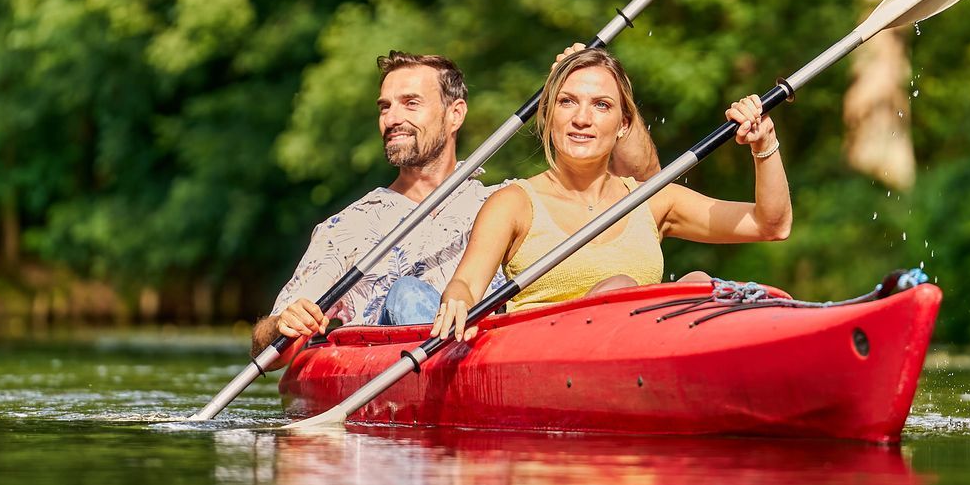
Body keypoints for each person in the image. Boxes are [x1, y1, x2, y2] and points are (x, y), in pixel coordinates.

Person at [255, 49, 658, 356]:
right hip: (394, 376)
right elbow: (264, 348)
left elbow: (642, 187)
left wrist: (592, 82)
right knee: (408, 295)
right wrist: (281, 325)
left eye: (411, 103)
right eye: (385, 106)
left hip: (498, 364)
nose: (392, 117)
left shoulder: (507, 200)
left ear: (455, 115)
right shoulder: (347, 228)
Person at [430, 47, 790, 341]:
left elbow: (771, 224)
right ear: (548, 115)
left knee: (697, 284)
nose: (582, 119)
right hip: (555, 362)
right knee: (619, 286)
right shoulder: (513, 203)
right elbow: (465, 284)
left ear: (623, 126)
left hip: (650, 357)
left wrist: (765, 142)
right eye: (567, 102)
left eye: (601, 105)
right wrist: (458, 300)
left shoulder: (651, 200)